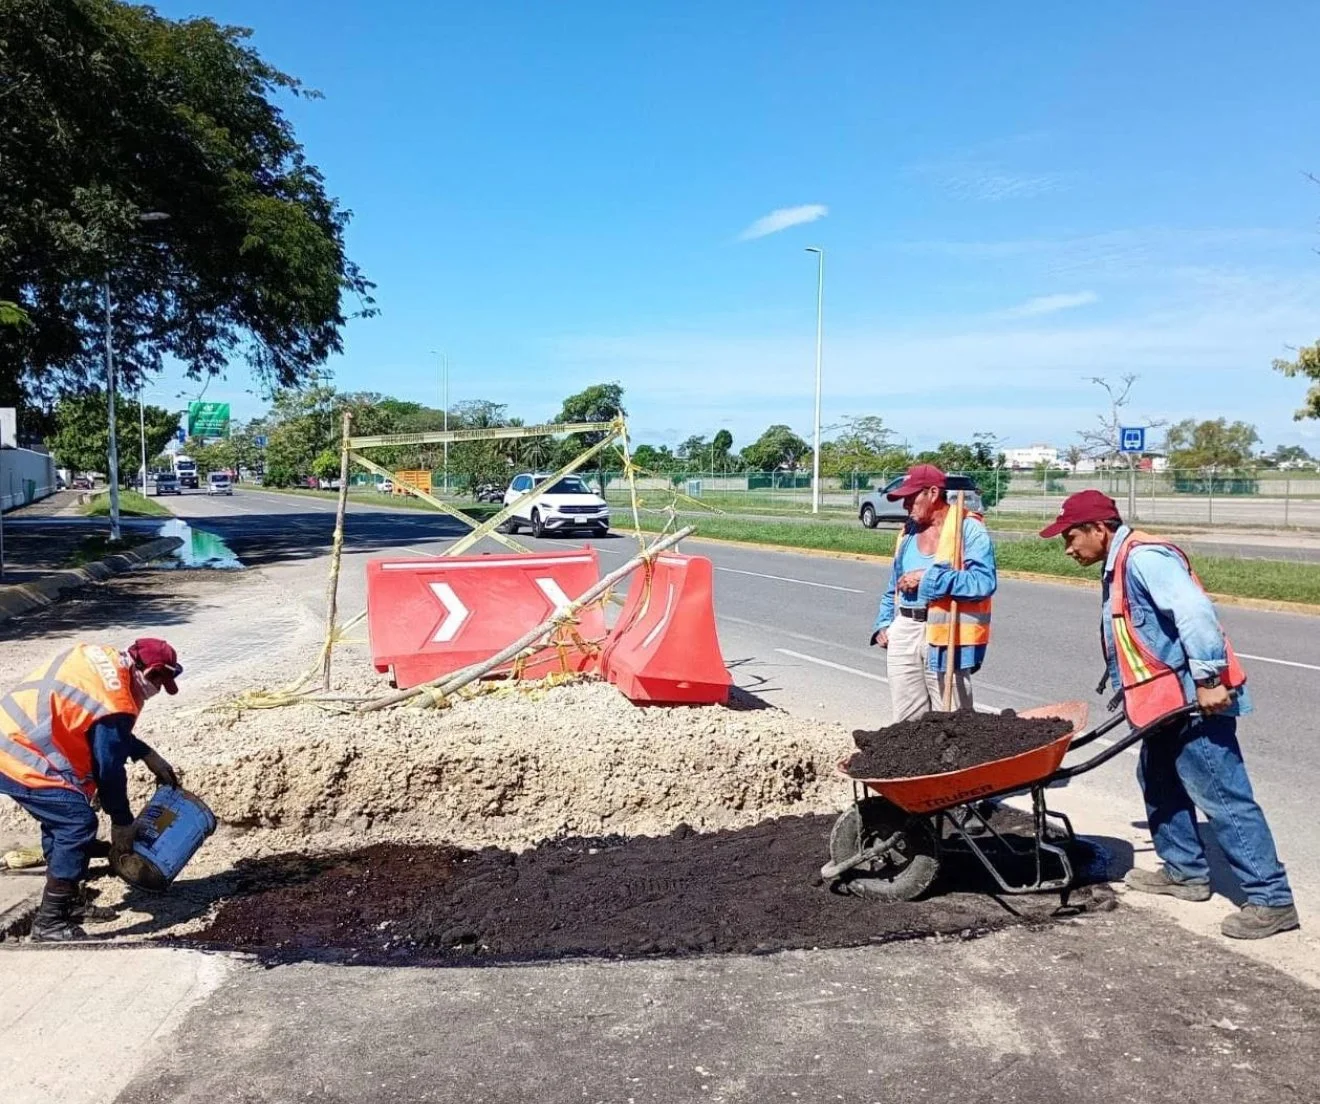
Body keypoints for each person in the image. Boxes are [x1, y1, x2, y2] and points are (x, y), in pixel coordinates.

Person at [1039, 490, 1298, 940]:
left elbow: (1195, 612)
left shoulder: (1145, 559)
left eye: (1071, 536)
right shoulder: (1118, 563)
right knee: (1158, 781)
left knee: (1222, 795)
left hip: (1193, 701)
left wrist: (1208, 679)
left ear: (1099, 529)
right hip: (1161, 704)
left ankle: (1271, 899)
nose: (1068, 548)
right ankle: (1184, 872)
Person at [0, 638, 182, 942]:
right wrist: (122, 822)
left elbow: (97, 725)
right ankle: (50, 922)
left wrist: (146, 753)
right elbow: (108, 768)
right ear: (148, 671)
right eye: (158, 681)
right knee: (77, 823)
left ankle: (69, 902)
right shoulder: (116, 701)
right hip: (20, 755)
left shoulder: (104, 661)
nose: (157, 691)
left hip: (15, 735)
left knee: (62, 820)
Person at [870, 464, 997, 721]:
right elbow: (893, 584)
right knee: (906, 722)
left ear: (932, 492)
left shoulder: (968, 529)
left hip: (944, 633)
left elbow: (983, 582)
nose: (905, 505)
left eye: (910, 498)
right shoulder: (908, 532)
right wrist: (884, 623)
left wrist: (928, 579)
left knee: (951, 720)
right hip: (905, 628)